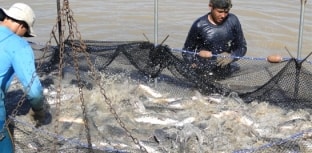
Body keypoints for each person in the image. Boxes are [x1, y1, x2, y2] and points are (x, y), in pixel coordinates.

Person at [0, 3, 50, 152]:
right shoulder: (19, 45)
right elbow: (33, 90)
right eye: (26, 33)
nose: (24, 36)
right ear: (22, 26)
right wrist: (39, 111)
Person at [182, 0, 247, 79]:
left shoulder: (233, 21)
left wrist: (232, 56)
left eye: (226, 12)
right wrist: (195, 59)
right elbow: (186, 51)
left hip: (225, 68)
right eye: (219, 12)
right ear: (210, 7)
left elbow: (242, 47)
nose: (223, 15)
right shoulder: (199, 25)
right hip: (204, 70)